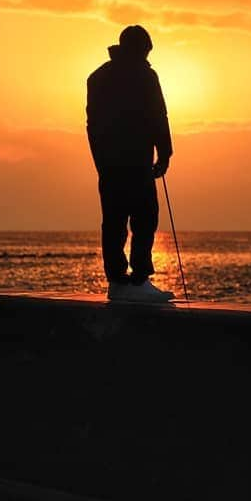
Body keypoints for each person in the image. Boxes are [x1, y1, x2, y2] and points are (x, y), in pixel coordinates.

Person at [86, 25, 174, 302]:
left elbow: (92, 126)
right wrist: (166, 152)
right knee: (145, 217)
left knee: (113, 221)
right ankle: (138, 281)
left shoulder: (96, 78)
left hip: (109, 165)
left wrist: (100, 161)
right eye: (146, 51)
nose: (148, 57)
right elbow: (159, 116)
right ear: (140, 49)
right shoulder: (145, 76)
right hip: (136, 162)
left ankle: (116, 281)